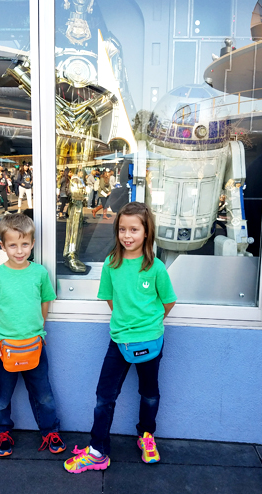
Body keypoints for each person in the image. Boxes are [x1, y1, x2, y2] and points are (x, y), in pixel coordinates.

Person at [64, 202, 176, 473]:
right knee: (105, 395)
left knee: (149, 393)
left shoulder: (156, 268)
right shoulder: (110, 265)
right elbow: (111, 300)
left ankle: (146, 436)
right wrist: (127, 325)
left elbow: (169, 302)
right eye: (123, 229)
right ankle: (98, 451)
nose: (128, 235)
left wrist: (148, 325)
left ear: (146, 232)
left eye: (134, 229)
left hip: (151, 341)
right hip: (118, 341)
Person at [0, 213, 66, 457]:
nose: (19, 251)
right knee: (2, 398)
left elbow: (45, 303)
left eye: (24, 244)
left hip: (35, 346)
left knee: (43, 394)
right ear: (3, 246)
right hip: (4, 348)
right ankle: (2, 432)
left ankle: (50, 430)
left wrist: (40, 330)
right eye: (13, 245)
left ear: (33, 243)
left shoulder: (39, 274)